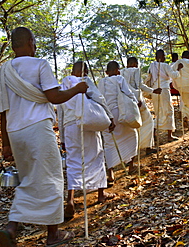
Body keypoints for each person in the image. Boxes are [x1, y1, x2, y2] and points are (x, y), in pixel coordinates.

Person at [0, 27, 88, 246]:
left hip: (15, 133)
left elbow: (3, 112)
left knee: (29, 180)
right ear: (29, 42)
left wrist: (6, 145)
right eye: (33, 42)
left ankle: (11, 226)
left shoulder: (4, 71)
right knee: (51, 178)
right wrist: (78, 89)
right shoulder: (40, 65)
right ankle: (53, 235)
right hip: (37, 129)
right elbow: (53, 97)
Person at [57, 61, 115, 219]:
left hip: (70, 127)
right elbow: (99, 99)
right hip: (87, 123)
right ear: (85, 72)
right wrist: (109, 117)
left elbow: (60, 115)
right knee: (96, 156)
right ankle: (100, 194)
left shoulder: (62, 87)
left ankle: (70, 200)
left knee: (73, 162)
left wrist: (62, 137)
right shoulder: (85, 82)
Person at [98, 61, 139, 178]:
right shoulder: (119, 79)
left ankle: (110, 173)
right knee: (132, 135)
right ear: (118, 70)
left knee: (109, 142)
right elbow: (128, 93)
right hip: (121, 113)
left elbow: (99, 98)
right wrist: (136, 103)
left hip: (106, 114)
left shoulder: (102, 82)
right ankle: (131, 165)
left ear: (106, 72)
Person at [120, 57, 162, 155]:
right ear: (134, 63)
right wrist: (153, 90)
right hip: (137, 101)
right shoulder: (136, 70)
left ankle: (131, 151)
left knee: (132, 125)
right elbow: (139, 86)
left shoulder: (121, 72)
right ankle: (148, 147)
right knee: (148, 121)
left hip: (125, 102)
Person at [146, 49, 183, 142]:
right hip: (164, 90)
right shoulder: (165, 66)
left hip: (155, 91)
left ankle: (153, 131)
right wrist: (178, 69)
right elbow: (174, 75)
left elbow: (148, 78)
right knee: (168, 111)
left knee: (158, 112)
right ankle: (169, 135)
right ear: (162, 57)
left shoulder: (152, 66)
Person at [172, 51, 189, 130]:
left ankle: (185, 117)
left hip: (180, 86)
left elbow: (173, 73)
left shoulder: (177, 62)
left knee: (185, 103)